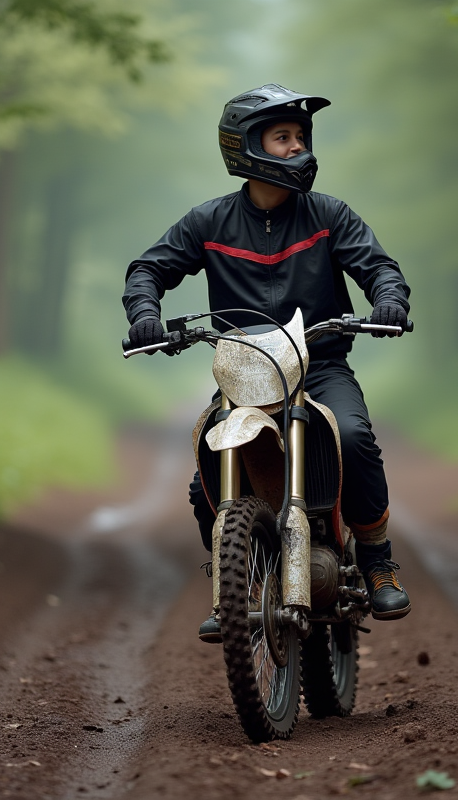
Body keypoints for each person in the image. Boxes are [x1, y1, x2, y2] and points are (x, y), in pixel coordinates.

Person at [121, 84, 412, 642]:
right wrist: (143, 311)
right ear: (247, 146)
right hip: (243, 374)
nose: (298, 147)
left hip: (320, 367)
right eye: (283, 137)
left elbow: (378, 266)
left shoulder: (329, 215)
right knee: (206, 467)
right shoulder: (207, 223)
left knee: (351, 435)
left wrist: (390, 300)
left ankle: (377, 560)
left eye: (301, 137)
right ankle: (233, 585)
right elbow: (147, 270)